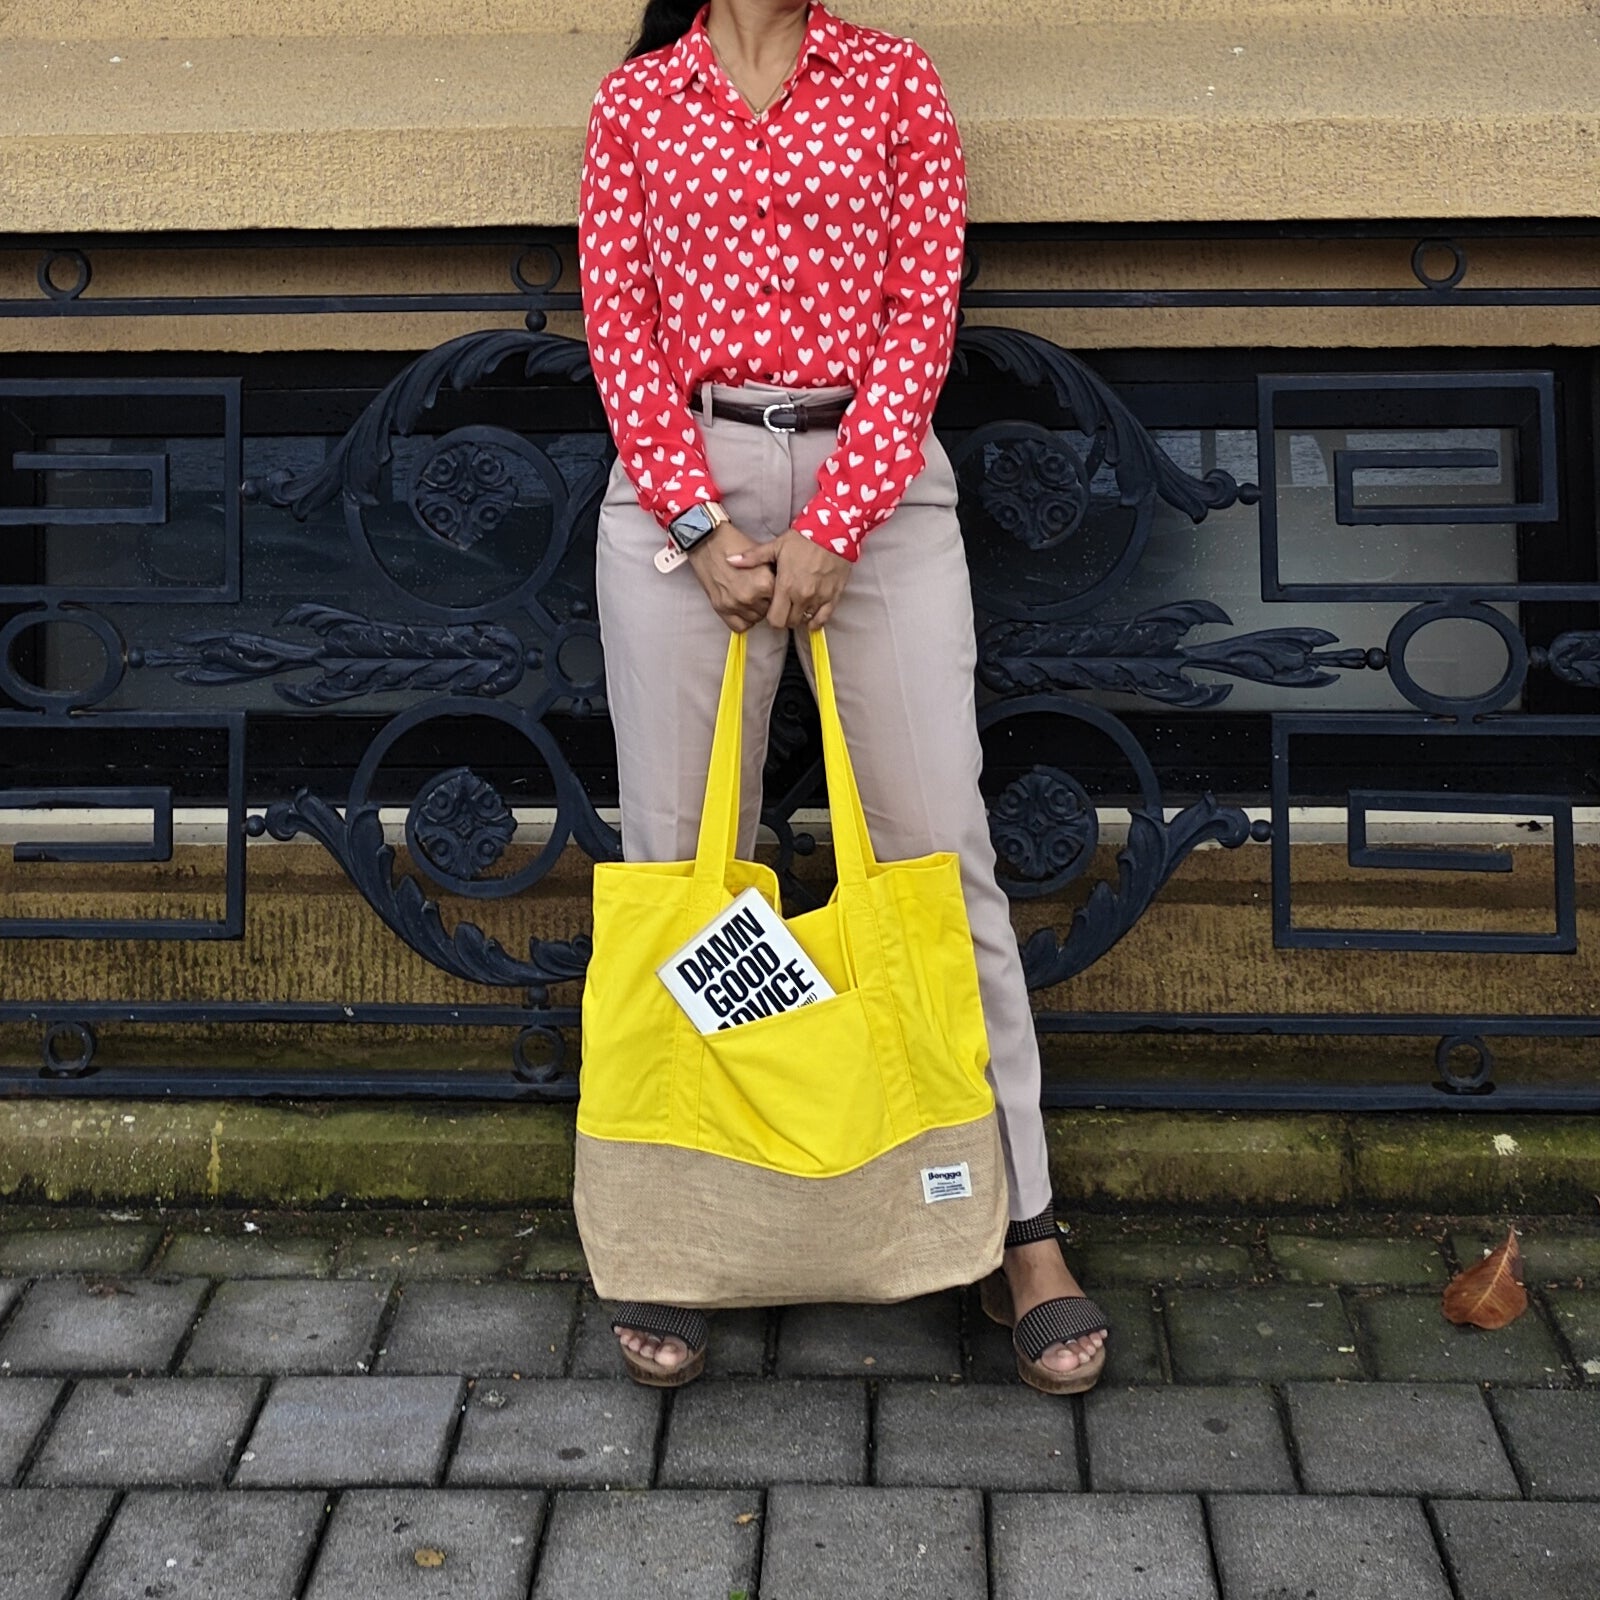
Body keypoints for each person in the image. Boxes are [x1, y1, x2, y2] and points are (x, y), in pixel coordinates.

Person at [578, 0, 1110, 1394]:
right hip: (680, 502)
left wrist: (836, 525)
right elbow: (618, 331)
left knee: (943, 860)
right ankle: (699, 1223)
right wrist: (699, 529)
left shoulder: (893, 80)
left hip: (877, 497)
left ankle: (1015, 1223)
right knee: (691, 875)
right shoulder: (638, 102)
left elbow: (922, 312)